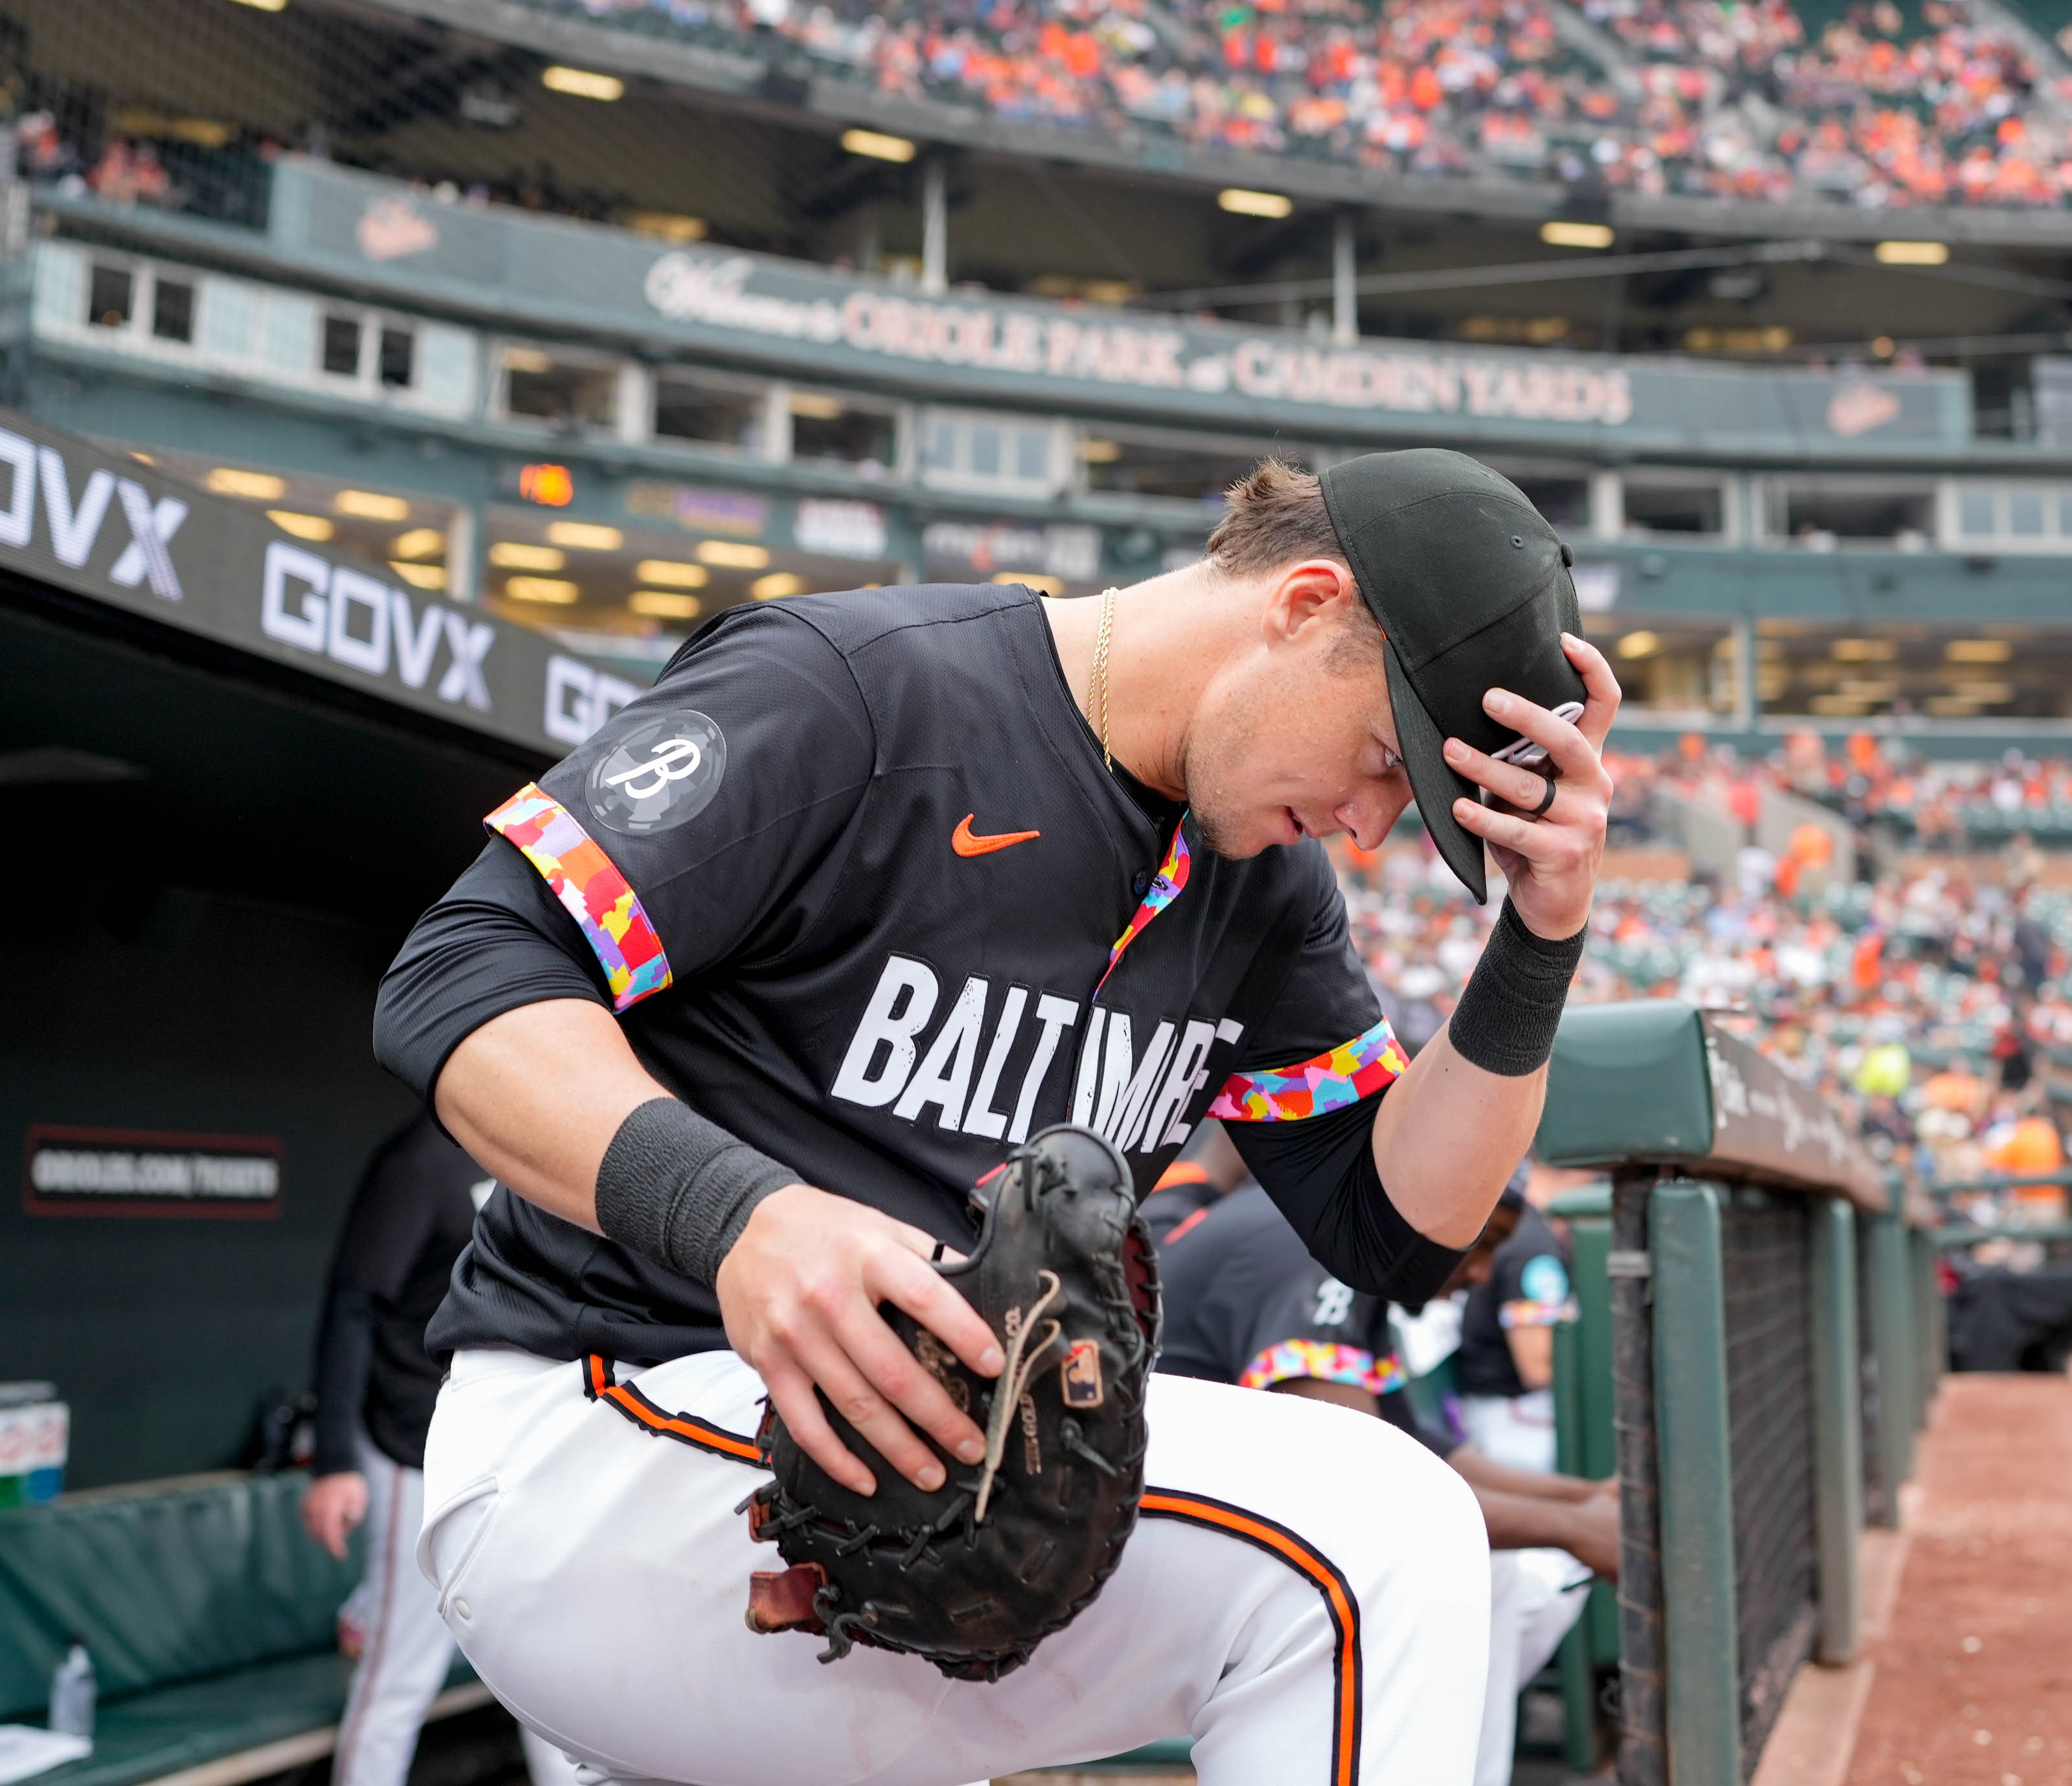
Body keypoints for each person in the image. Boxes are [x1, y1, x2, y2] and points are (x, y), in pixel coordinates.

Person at [375, 450, 1619, 1783]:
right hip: (610, 1427)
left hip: (920, 1484)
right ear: (1301, 603)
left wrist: (1538, 943)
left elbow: (1392, 1228)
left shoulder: (1263, 885)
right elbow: (466, 970)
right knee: (1379, 1529)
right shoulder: (861, 685)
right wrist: (741, 1217)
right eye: (1384, 759)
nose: (1370, 826)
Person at [1155, 1182, 1617, 1786]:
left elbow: (1422, 1451)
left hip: (1202, 1525)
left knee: (1501, 1576)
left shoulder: (1345, 1243)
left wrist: (1587, 1502)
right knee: (1465, 1568)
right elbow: (1372, 1487)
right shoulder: (1305, 1237)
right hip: (1136, 1546)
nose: (1480, 1273)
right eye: (1480, 1243)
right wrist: (1576, 1528)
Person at [300, 1114, 579, 1786]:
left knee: (543, 1665)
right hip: (411, 1446)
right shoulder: (421, 1161)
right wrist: (336, 1460)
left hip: (511, 1446)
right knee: (402, 1668)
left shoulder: (538, 1149)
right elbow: (353, 1303)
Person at [1455, 1164, 1577, 1473]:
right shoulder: (1531, 1243)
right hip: (1516, 1419)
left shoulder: (1524, 1229)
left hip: (1498, 1411)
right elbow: (1538, 1368)